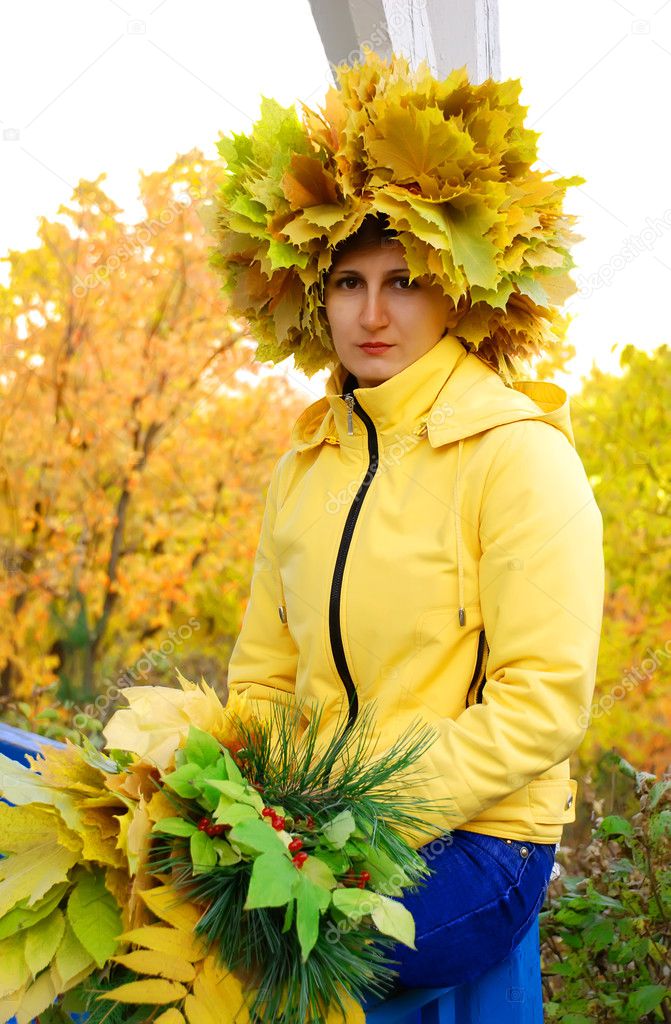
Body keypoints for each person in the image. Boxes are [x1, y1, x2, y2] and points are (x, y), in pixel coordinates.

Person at [210, 51, 605, 993]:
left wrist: (366, 812)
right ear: (316, 298)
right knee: (149, 905)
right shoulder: (303, 467)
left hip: (479, 840)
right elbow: (262, 675)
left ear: (454, 293)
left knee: (284, 956)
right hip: (311, 826)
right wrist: (254, 815)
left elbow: (543, 700)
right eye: (349, 283)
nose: (373, 313)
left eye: (404, 281)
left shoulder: (518, 455)